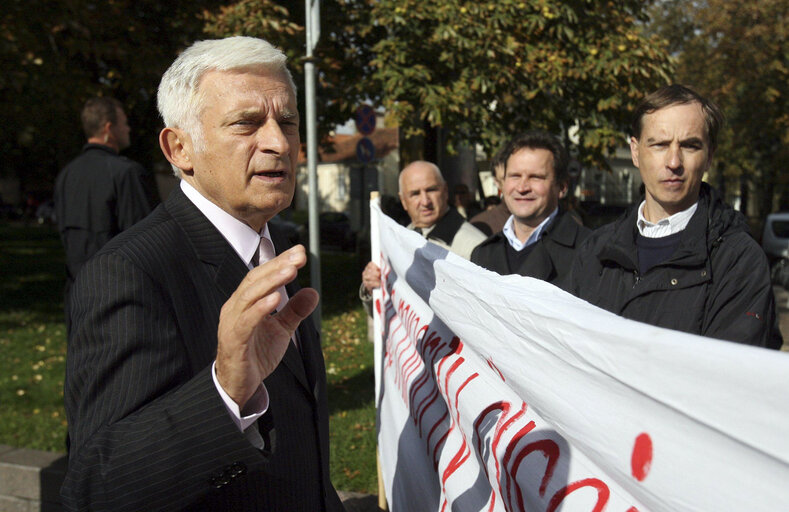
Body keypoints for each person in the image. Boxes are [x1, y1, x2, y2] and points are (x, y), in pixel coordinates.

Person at [61, 37, 345, 511]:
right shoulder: (128, 273)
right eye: (246, 123)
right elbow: (96, 487)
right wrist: (225, 393)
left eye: (288, 122)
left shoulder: (271, 251)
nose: (279, 143)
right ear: (180, 148)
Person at [566, 84, 782, 349]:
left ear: (709, 157)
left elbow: (730, 378)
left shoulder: (738, 261)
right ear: (635, 151)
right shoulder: (594, 251)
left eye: (690, 146)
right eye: (659, 144)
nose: (673, 162)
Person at [54, 97, 155, 291]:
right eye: (124, 123)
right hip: (120, 294)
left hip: (77, 294)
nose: (128, 129)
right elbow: (145, 240)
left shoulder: (66, 175)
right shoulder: (126, 173)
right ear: (109, 129)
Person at [471, 131, 590, 284]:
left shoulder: (589, 250)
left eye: (536, 177)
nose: (522, 188)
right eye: (515, 176)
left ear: (562, 187)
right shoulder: (483, 254)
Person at [360, 161, 486, 302]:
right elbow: (390, 310)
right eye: (415, 194)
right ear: (403, 201)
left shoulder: (476, 246)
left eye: (431, 190)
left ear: (445, 191)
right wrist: (372, 290)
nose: (425, 201)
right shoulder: (398, 241)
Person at [470, 149, 511, 236]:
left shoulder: (545, 221)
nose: (522, 186)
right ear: (497, 182)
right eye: (512, 177)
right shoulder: (480, 225)